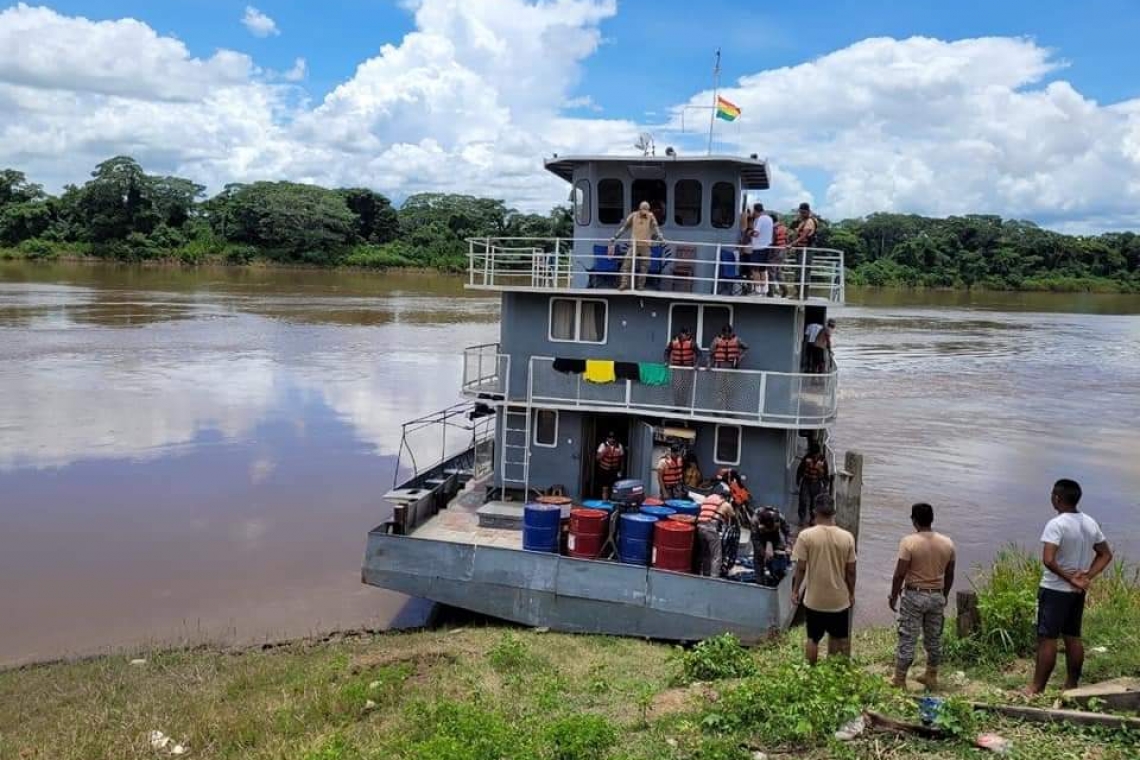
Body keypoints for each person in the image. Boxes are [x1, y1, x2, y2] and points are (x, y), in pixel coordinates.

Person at [1026, 479, 1113, 696]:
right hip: (1076, 593)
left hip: (1055, 590)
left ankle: (1036, 688)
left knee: (1047, 638)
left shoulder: (1056, 524)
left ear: (1057, 498)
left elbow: (1048, 559)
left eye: (1052, 495)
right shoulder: (1090, 522)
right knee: (1072, 636)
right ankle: (1072, 685)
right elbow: (1105, 554)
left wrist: (1069, 578)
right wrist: (1086, 576)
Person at [889, 503, 956, 690]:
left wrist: (893, 595)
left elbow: (899, 574)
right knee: (934, 638)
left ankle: (900, 679)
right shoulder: (948, 543)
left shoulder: (909, 542)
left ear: (914, 520)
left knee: (908, 637)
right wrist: (944, 595)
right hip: (936, 596)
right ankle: (931, 675)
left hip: (914, 595)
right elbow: (950, 573)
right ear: (932, 519)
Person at [791, 494, 857, 664]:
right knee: (836, 638)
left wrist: (795, 591)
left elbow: (801, 567)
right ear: (833, 513)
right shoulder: (847, 537)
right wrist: (851, 593)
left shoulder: (806, 536)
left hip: (814, 600)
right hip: (838, 600)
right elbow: (851, 571)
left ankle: (812, 673)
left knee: (813, 638)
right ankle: (832, 672)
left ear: (815, 512)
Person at [610, 201, 662, 291]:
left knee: (644, 266)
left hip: (646, 245)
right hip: (634, 244)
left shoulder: (650, 216)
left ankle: (640, 286)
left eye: (647, 209)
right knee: (626, 264)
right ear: (640, 208)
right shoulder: (633, 216)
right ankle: (624, 284)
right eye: (643, 209)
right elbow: (624, 228)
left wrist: (661, 237)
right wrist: (615, 237)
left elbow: (656, 228)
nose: (645, 211)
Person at [709, 324, 748, 412]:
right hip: (720, 366)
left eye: (728, 332)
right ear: (722, 332)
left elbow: (746, 348)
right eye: (725, 332)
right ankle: (717, 410)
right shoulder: (717, 340)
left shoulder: (737, 340)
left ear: (731, 332)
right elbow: (711, 353)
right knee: (719, 389)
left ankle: (729, 410)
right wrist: (709, 364)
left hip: (731, 367)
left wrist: (740, 358)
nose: (727, 334)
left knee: (730, 389)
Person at [696, 493, 735, 577]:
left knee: (706, 554)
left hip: (699, 528)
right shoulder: (726, 504)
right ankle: (714, 578)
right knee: (716, 555)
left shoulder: (707, 500)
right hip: (711, 529)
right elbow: (733, 516)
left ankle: (705, 574)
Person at [788, 203, 818, 298]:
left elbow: (804, 235)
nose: (801, 214)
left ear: (808, 211)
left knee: (803, 271)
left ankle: (802, 294)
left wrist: (792, 244)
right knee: (799, 271)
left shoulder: (810, 221)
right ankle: (798, 293)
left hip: (806, 249)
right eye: (800, 212)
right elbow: (792, 229)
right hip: (801, 249)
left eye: (803, 212)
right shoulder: (802, 221)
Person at [664, 327, 697, 411]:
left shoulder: (691, 343)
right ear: (682, 334)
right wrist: (666, 361)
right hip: (677, 367)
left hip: (687, 368)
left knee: (685, 388)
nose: (688, 336)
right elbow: (666, 352)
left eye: (689, 335)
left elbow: (699, 353)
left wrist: (696, 364)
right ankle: (677, 407)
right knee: (677, 387)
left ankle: (683, 407)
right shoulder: (674, 342)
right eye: (687, 335)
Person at [795, 446, 830, 525]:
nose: (815, 457)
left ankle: (813, 518)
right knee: (803, 500)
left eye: (816, 455)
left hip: (816, 482)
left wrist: (825, 485)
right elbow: (800, 469)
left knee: (814, 502)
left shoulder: (823, 460)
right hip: (806, 482)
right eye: (813, 455)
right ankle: (802, 518)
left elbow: (826, 473)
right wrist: (798, 479)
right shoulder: (806, 458)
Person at [748, 203, 774, 294]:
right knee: (763, 269)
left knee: (755, 269)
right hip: (767, 247)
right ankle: (763, 290)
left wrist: (749, 233)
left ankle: (757, 290)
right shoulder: (769, 218)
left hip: (758, 247)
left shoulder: (760, 219)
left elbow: (756, 233)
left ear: (755, 210)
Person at [594, 431, 624, 500]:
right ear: (607, 438)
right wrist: (605, 451)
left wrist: (621, 470)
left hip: (614, 470)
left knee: (614, 488)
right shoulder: (603, 445)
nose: (612, 439)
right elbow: (597, 458)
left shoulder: (619, 446)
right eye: (610, 437)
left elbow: (622, 460)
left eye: (613, 438)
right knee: (605, 488)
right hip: (604, 470)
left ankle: (612, 503)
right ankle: (604, 502)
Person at [768, 212, 789, 297]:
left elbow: (772, 241)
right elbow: (787, 239)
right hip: (782, 251)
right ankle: (784, 289)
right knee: (778, 271)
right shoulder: (784, 228)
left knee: (771, 272)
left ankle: (771, 292)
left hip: (775, 251)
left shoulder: (773, 229)